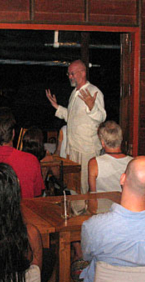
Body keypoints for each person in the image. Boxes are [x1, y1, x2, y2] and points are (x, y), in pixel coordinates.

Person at [46, 60, 107, 193]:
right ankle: (75, 210)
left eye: (72, 73)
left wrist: (92, 107)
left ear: (83, 73)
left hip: (86, 149)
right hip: (73, 147)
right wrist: (56, 106)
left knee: (84, 186)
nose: (70, 76)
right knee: (73, 184)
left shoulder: (93, 91)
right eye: (68, 74)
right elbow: (72, 117)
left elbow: (101, 117)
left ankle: (83, 212)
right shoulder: (74, 93)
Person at [88, 121, 133, 193]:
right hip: (124, 203)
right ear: (120, 139)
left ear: (103, 143)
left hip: (102, 203)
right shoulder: (133, 162)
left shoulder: (94, 163)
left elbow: (93, 194)